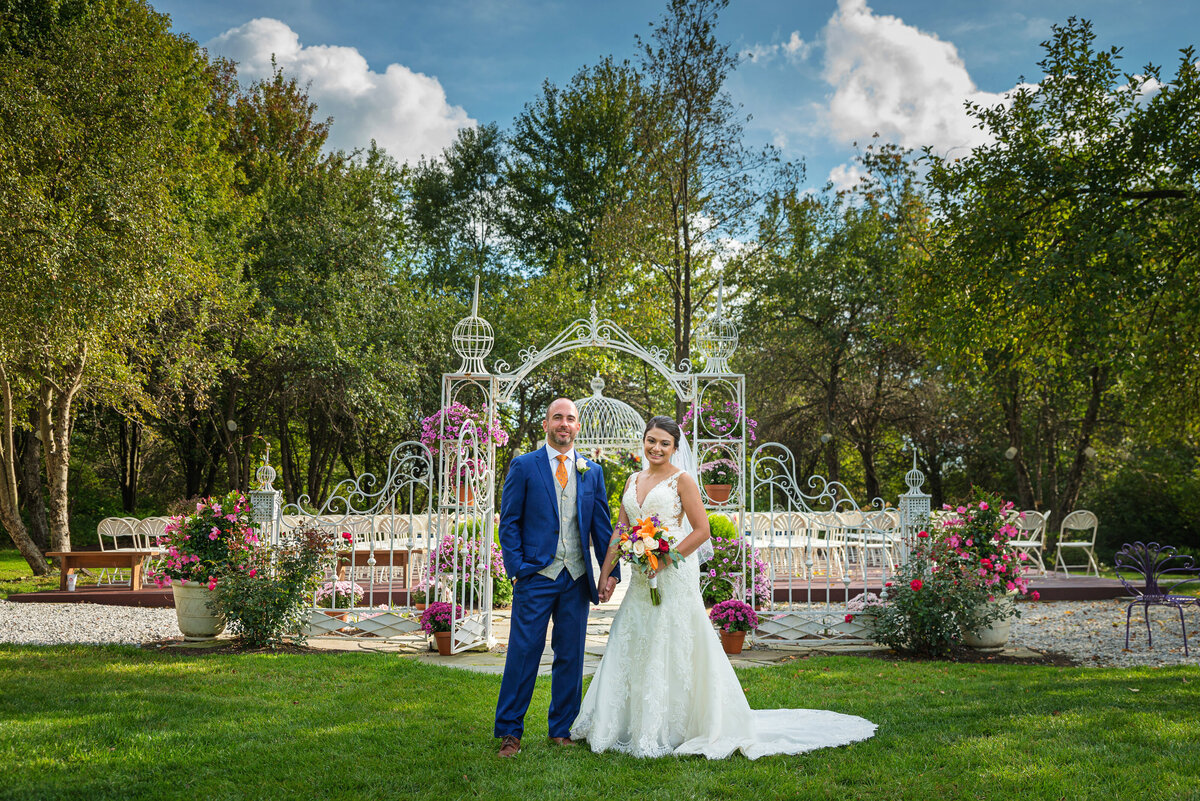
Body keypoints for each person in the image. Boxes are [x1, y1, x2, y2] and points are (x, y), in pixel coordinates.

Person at [571, 415, 877, 759]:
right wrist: (605, 574)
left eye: (664, 443)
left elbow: (701, 531)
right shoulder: (631, 479)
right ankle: (626, 722)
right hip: (643, 577)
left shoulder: (681, 481)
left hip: (672, 571)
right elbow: (619, 530)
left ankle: (679, 726)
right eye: (651, 441)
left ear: (674, 448)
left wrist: (664, 559)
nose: (656, 448)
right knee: (635, 636)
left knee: (672, 640)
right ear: (643, 441)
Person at [493, 398, 618, 757]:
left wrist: (610, 574)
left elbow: (603, 527)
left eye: (571, 419)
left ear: (578, 427)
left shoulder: (591, 471)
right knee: (523, 652)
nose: (564, 424)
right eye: (558, 418)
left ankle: (562, 728)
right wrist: (517, 571)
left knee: (571, 655)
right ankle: (510, 732)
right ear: (546, 423)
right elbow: (509, 522)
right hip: (536, 576)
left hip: (576, 578)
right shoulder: (524, 466)